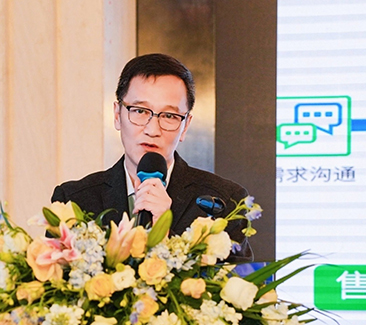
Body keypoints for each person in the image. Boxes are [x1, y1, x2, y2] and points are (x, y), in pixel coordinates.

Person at [51, 53, 253, 262]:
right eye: (140, 111)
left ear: (185, 126)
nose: (152, 130)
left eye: (169, 116)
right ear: (117, 115)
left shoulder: (226, 202)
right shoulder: (73, 201)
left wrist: (164, 230)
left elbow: (238, 279)